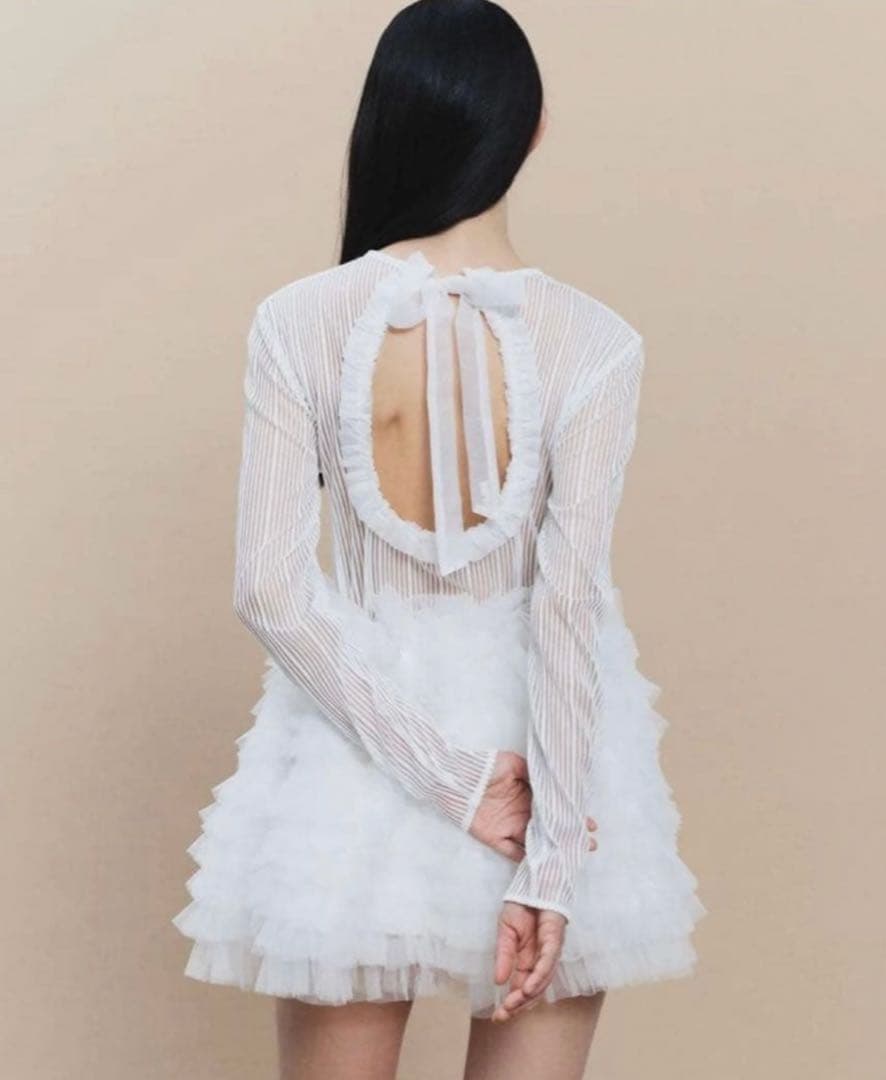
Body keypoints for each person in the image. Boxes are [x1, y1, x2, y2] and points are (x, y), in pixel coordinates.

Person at [172, 2, 705, 1077]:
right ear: (532, 126)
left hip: (355, 747)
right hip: (549, 764)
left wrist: (454, 779)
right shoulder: (596, 342)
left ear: (389, 122)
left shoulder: (300, 319)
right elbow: (566, 604)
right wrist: (550, 856)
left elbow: (271, 590)